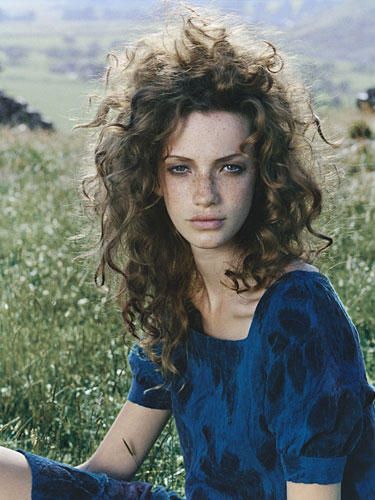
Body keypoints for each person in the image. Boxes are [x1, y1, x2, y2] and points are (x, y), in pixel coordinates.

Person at [1, 7, 374, 500]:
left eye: (229, 168)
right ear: (150, 179)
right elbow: (112, 466)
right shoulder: (179, 291)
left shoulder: (299, 309)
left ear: (265, 174)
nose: (205, 194)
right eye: (180, 168)